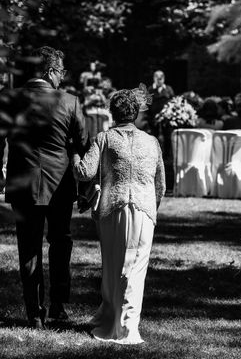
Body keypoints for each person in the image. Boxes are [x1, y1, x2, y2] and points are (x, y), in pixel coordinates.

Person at [0, 46, 89, 329]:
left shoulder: (8, 98)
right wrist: (87, 186)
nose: (63, 78)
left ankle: (34, 313)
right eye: (62, 72)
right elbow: (84, 145)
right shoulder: (70, 101)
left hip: (23, 182)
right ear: (52, 71)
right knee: (60, 242)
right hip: (60, 185)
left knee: (28, 246)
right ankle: (57, 305)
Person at [74, 88, 165, 344]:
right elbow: (161, 184)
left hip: (112, 209)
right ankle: (123, 324)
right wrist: (152, 207)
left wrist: (73, 153)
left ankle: (116, 321)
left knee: (113, 267)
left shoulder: (104, 138)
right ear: (136, 113)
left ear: (112, 113)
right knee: (135, 268)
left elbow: (84, 172)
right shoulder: (152, 142)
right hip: (145, 209)